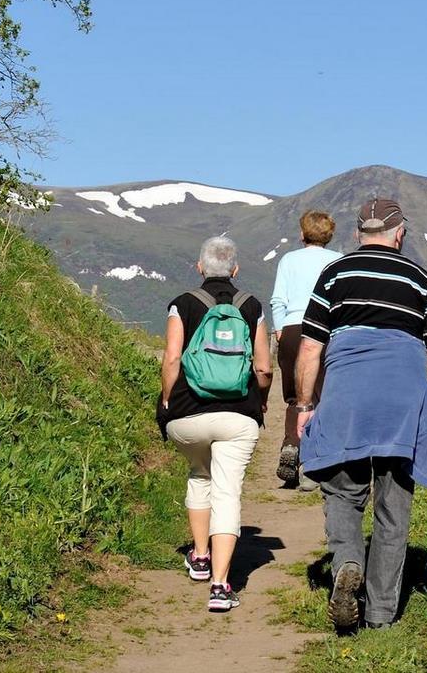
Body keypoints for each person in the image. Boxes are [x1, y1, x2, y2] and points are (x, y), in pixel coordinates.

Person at [294, 198, 427, 632]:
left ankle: (348, 559)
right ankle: (382, 616)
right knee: (393, 508)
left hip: (346, 396)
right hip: (401, 406)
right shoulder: (420, 279)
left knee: (341, 490)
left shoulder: (334, 275)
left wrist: (305, 405)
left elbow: (310, 347)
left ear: (356, 233)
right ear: (399, 233)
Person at [158, 236, 273, 613]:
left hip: (188, 417)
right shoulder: (251, 306)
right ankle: (222, 586)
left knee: (199, 473)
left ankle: (200, 556)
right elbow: (262, 368)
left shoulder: (182, 303)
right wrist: (262, 400)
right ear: (235, 270)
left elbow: (172, 359)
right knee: (227, 493)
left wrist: (165, 400)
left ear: (199, 267)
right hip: (238, 417)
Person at [270, 210, 342, 490]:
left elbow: (279, 299)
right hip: (326, 329)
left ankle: (291, 444)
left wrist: (281, 331)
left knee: (296, 396)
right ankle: (315, 461)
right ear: (330, 235)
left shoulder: (289, 260)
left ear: (302, 234)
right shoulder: (338, 260)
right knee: (323, 395)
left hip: (292, 328)